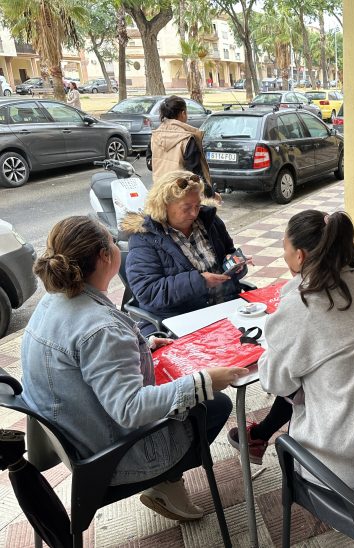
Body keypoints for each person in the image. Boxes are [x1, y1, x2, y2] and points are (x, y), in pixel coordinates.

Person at [20, 216, 246, 521]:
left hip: (79, 435)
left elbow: (85, 360)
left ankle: (167, 486)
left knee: (193, 394)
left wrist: (142, 346)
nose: (118, 247)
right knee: (215, 405)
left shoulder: (52, 302)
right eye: (113, 242)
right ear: (105, 256)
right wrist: (204, 381)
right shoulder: (100, 328)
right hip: (110, 457)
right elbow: (130, 410)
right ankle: (164, 482)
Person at [228, 210, 354, 495]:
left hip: (347, 466)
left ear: (299, 256)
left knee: (298, 387)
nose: (283, 254)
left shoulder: (299, 307)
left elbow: (275, 382)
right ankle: (262, 434)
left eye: (284, 247)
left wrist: (273, 347)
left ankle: (264, 444)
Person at [124, 170, 251, 336]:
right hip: (180, 319)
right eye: (186, 208)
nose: (194, 213)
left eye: (197, 205)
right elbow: (148, 291)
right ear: (163, 205)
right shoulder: (144, 238)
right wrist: (200, 281)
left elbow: (229, 252)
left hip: (225, 307)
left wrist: (234, 263)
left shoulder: (210, 222)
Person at [148, 95, 215, 199]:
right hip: (181, 194)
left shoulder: (155, 136)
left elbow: (150, 164)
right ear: (183, 113)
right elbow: (195, 173)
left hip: (159, 192)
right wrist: (210, 194)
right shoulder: (187, 139)